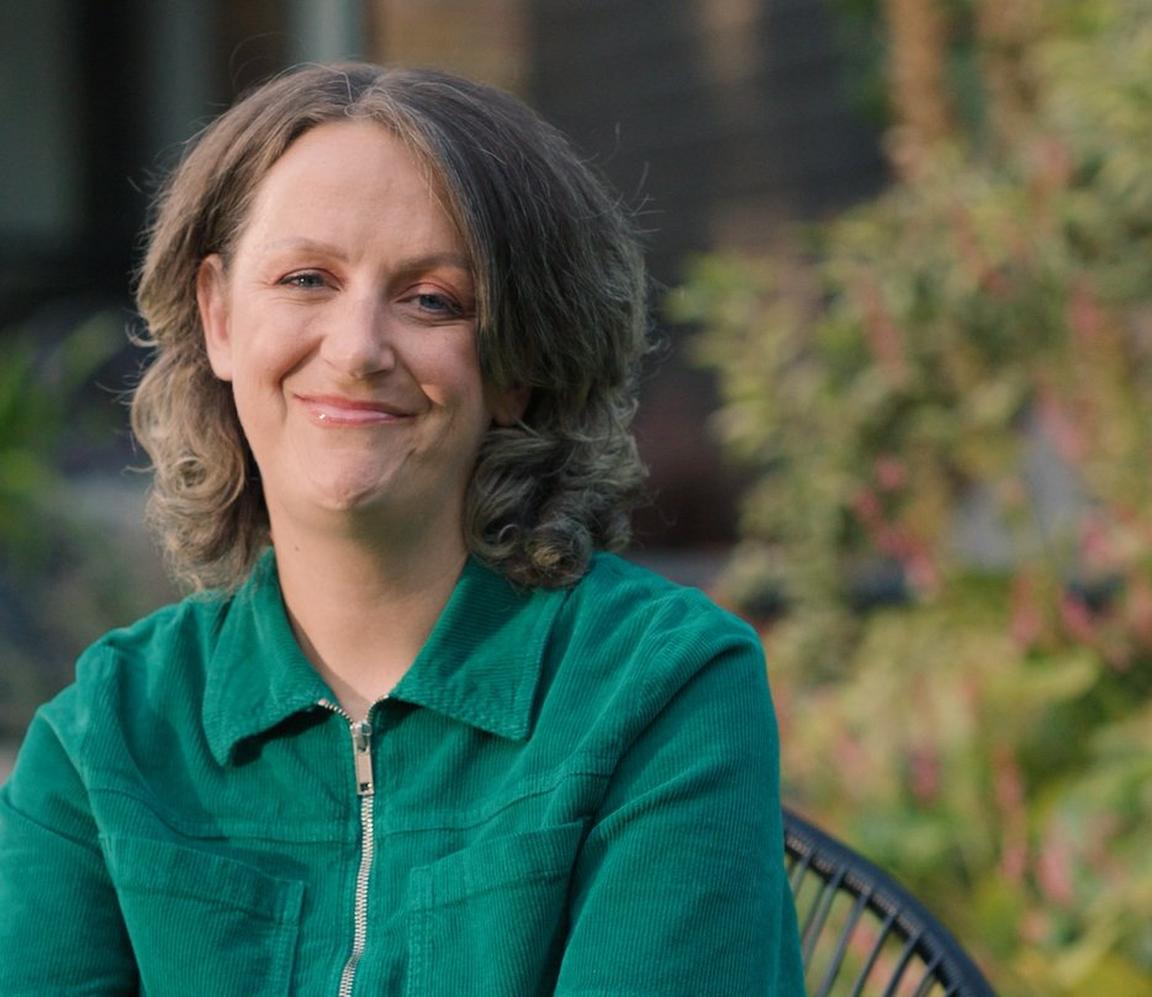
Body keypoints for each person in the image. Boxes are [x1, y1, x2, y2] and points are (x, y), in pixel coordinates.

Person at [0, 63, 804, 994]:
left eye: (433, 300)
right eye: (307, 278)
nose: (357, 349)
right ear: (219, 316)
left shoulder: (660, 689)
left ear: (518, 364)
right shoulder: (106, 741)